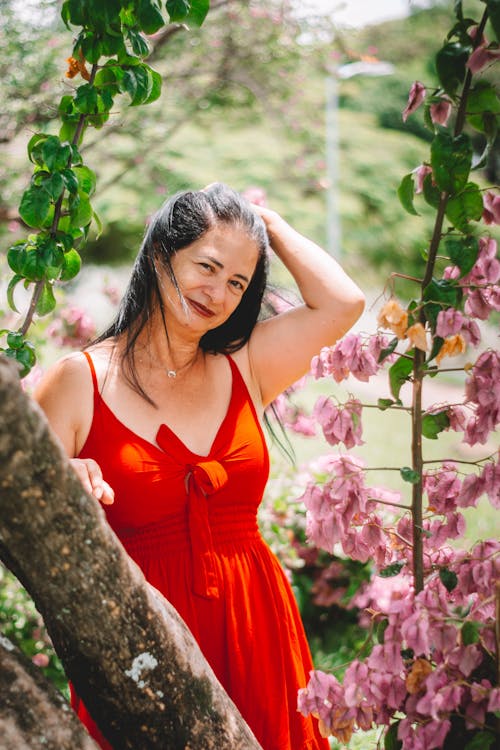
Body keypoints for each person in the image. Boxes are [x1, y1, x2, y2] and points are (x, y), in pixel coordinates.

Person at [34, 183, 365, 750]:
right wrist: (68, 481)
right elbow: (23, 508)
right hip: (138, 639)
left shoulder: (247, 365)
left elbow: (343, 305)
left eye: (237, 282)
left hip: (258, 625)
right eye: (206, 266)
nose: (218, 292)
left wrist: (263, 222)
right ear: (161, 254)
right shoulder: (77, 381)